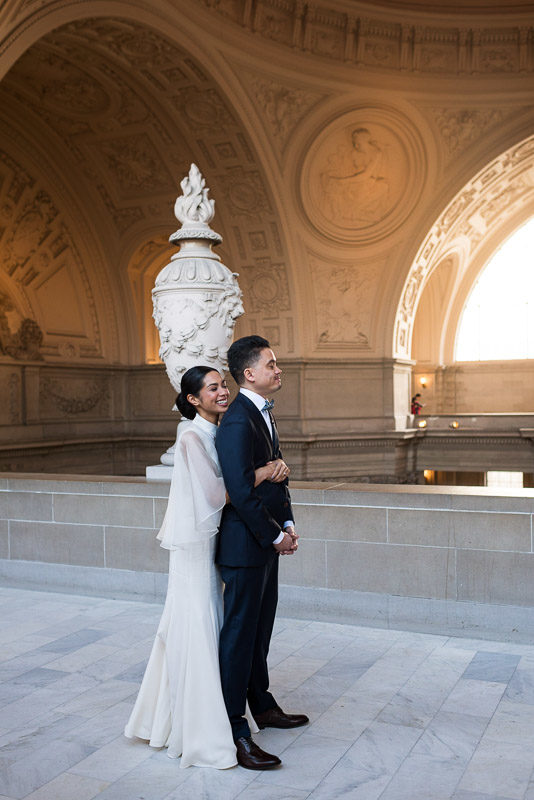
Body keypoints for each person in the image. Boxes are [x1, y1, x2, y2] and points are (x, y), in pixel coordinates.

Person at [124, 365, 284, 769]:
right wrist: (262, 472)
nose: (222, 392)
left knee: (220, 627)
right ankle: (206, 727)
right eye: (212, 388)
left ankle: (232, 711)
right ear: (194, 399)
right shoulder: (191, 435)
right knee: (200, 625)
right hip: (196, 549)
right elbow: (214, 494)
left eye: (223, 385)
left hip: (217, 541)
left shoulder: (217, 429)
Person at [215, 336, 309, 771]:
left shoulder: (262, 413)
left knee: (259, 632)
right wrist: (274, 536)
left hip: (265, 541)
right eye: (271, 363)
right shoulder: (237, 421)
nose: (278, 369)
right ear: (249, 373)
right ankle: (236, 730)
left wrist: (287, 523)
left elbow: (277, 473)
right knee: (238, 639)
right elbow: (237, 490)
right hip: (244, 546)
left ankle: (263, 705)